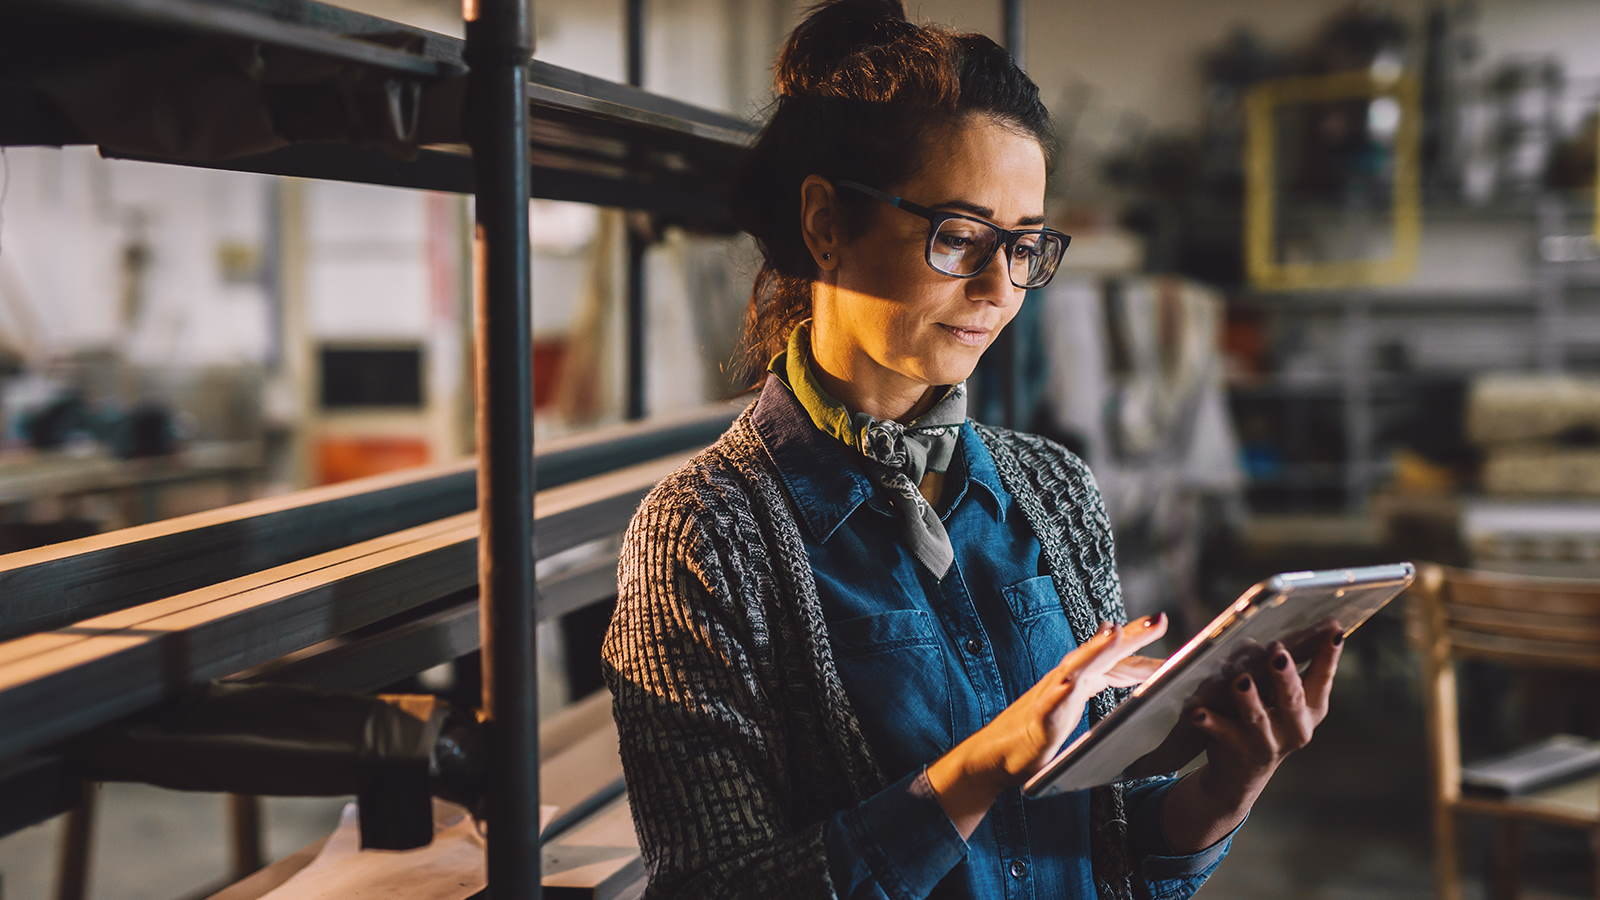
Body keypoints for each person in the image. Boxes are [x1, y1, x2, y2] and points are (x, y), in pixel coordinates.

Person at [601, 2, 1344, 897]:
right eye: (958, 237)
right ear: (828, 222)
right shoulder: (703, 534)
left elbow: (1107, 841)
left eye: (1025, 246)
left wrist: (1227, 787)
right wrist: (983, 769)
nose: (998, 287)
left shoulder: (1053, 488)